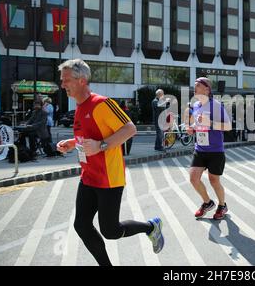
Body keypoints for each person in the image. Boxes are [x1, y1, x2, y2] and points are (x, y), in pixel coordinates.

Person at [56, 59, 164, 266]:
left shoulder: (101, 103)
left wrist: (101, 146)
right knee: (82, 225)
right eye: (62, 80)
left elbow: (130, 129)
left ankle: (151, 227)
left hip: (108, 178)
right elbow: (90, 137)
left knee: (110, 231)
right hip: (88, 176)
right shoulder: (79, 107)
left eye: (66, 80)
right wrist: (71, 144)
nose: (63, 85)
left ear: (82, 80)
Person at [186, 77, 232, 220]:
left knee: (214, 180)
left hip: (215, 150)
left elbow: (228, 127)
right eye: (194, 85)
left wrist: (210, 123)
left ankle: (222, 205)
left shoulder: (216, 105)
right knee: (193, 178)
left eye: (198, 85)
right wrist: (192, 128)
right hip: (200, 149)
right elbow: (199, 124)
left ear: (207, 89)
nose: (195, 88)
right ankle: (207, 203)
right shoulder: (196, 106)